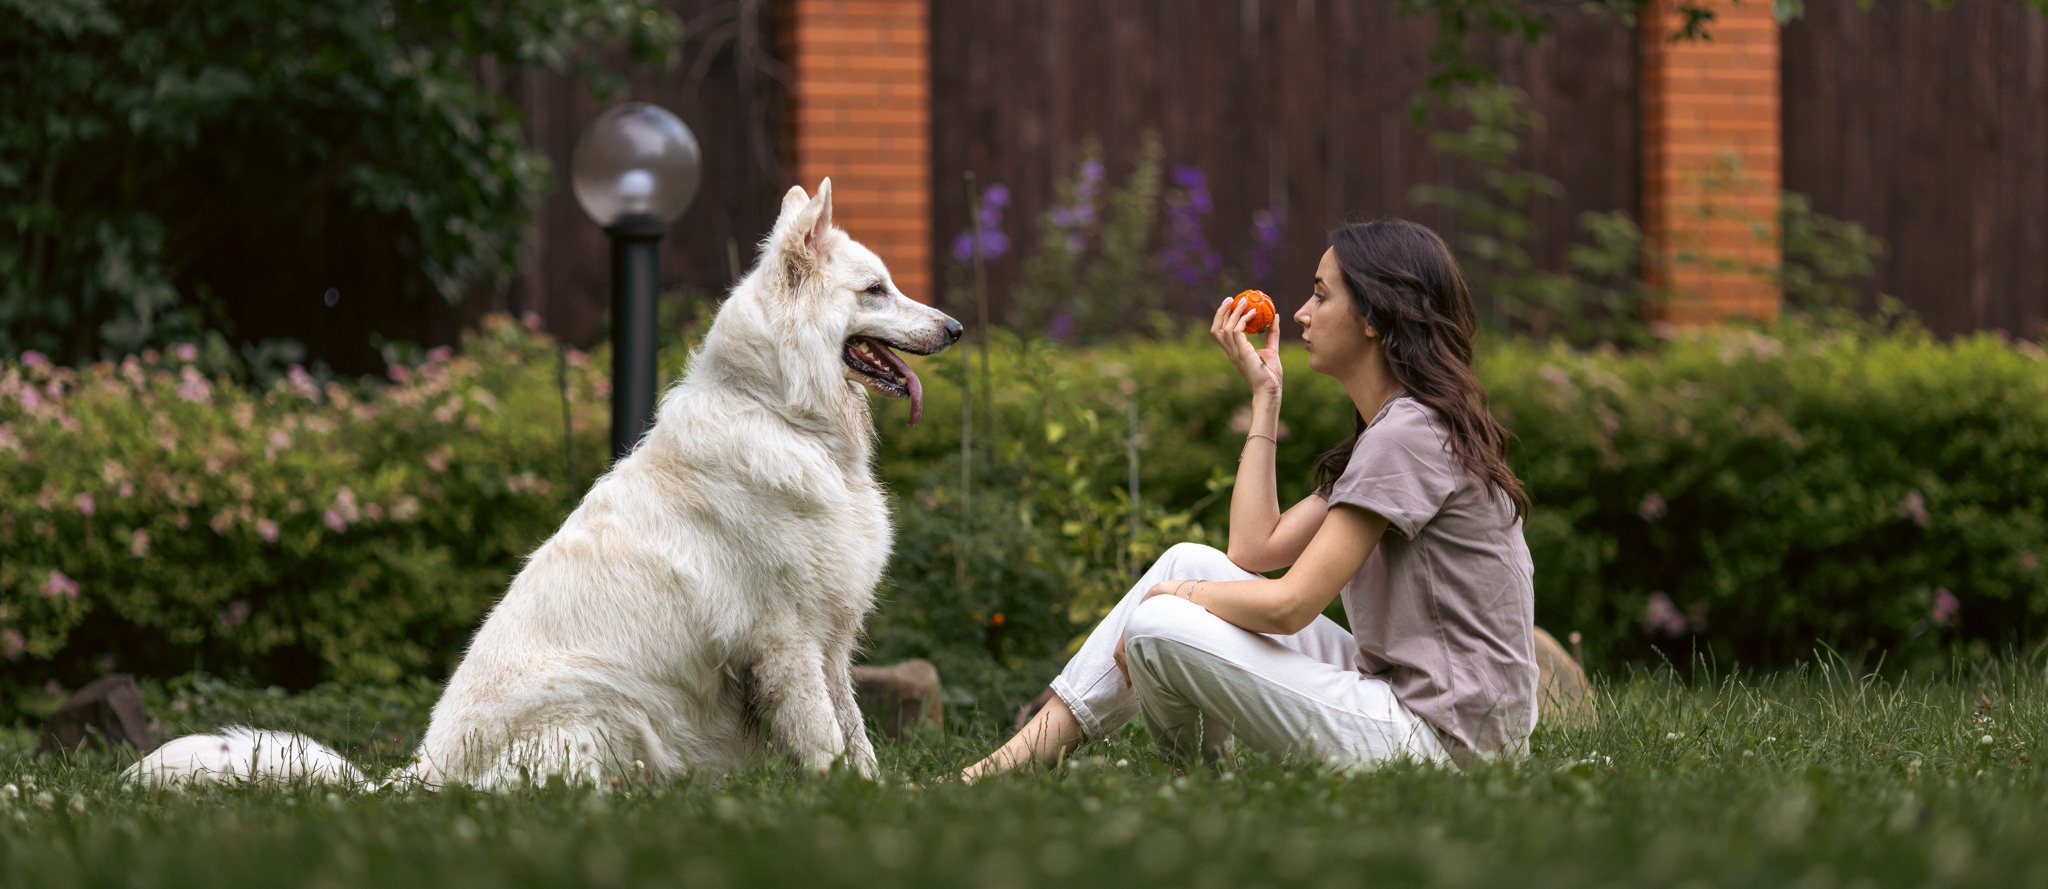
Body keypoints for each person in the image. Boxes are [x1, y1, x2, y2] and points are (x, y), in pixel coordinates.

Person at [962, 219, 1537, 779]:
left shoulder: (1406, 435)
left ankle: (1195, 779)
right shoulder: (1397, 429)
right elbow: (1253, 549)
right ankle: (1010, 766)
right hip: (1416, 702)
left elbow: (1290, 607)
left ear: (1373, 316)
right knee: (1189, 560)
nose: (1302, 314)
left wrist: (1175, 598)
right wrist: (1265, 396)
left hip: (1446, 741)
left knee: (1161, 619)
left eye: (1320, 295)